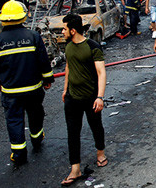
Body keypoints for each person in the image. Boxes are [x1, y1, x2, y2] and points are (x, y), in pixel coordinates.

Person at [0, 0, 54, 165]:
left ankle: (18, 154)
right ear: (22, 17)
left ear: (3, 19)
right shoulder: (33, 37)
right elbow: (43, 61)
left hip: (11, 92)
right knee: (36, 114)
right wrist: (48, 79)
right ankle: (37, 138)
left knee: (14, 120)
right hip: (34, 89)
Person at [60, 14, 107, 186]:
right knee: (72, 133)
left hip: (91, 98)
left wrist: (100, 97)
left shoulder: (93, 46)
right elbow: (68, 67)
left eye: (64, 29)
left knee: (96, 126)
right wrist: (65, 89)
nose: (62, 31)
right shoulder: (68, 46)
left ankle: (100, 153)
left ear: (73, 30)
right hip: (72, 97)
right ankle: (75, 169)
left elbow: (101, 72)